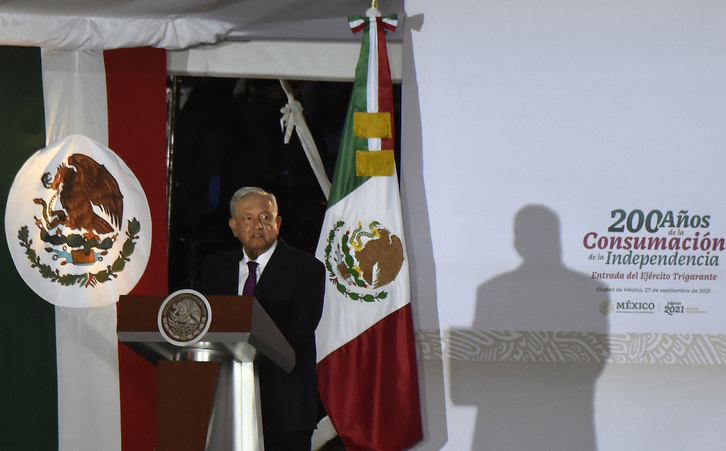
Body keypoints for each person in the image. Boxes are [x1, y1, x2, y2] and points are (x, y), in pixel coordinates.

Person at [200, 186, 325, 450]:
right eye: (248, 218)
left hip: (283, 406)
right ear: (234, 226)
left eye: (266, 217)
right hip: (226, 403)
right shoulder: (214, 268)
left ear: (278, 223)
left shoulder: (306, 269)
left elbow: (297, 333)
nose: (257, 224)